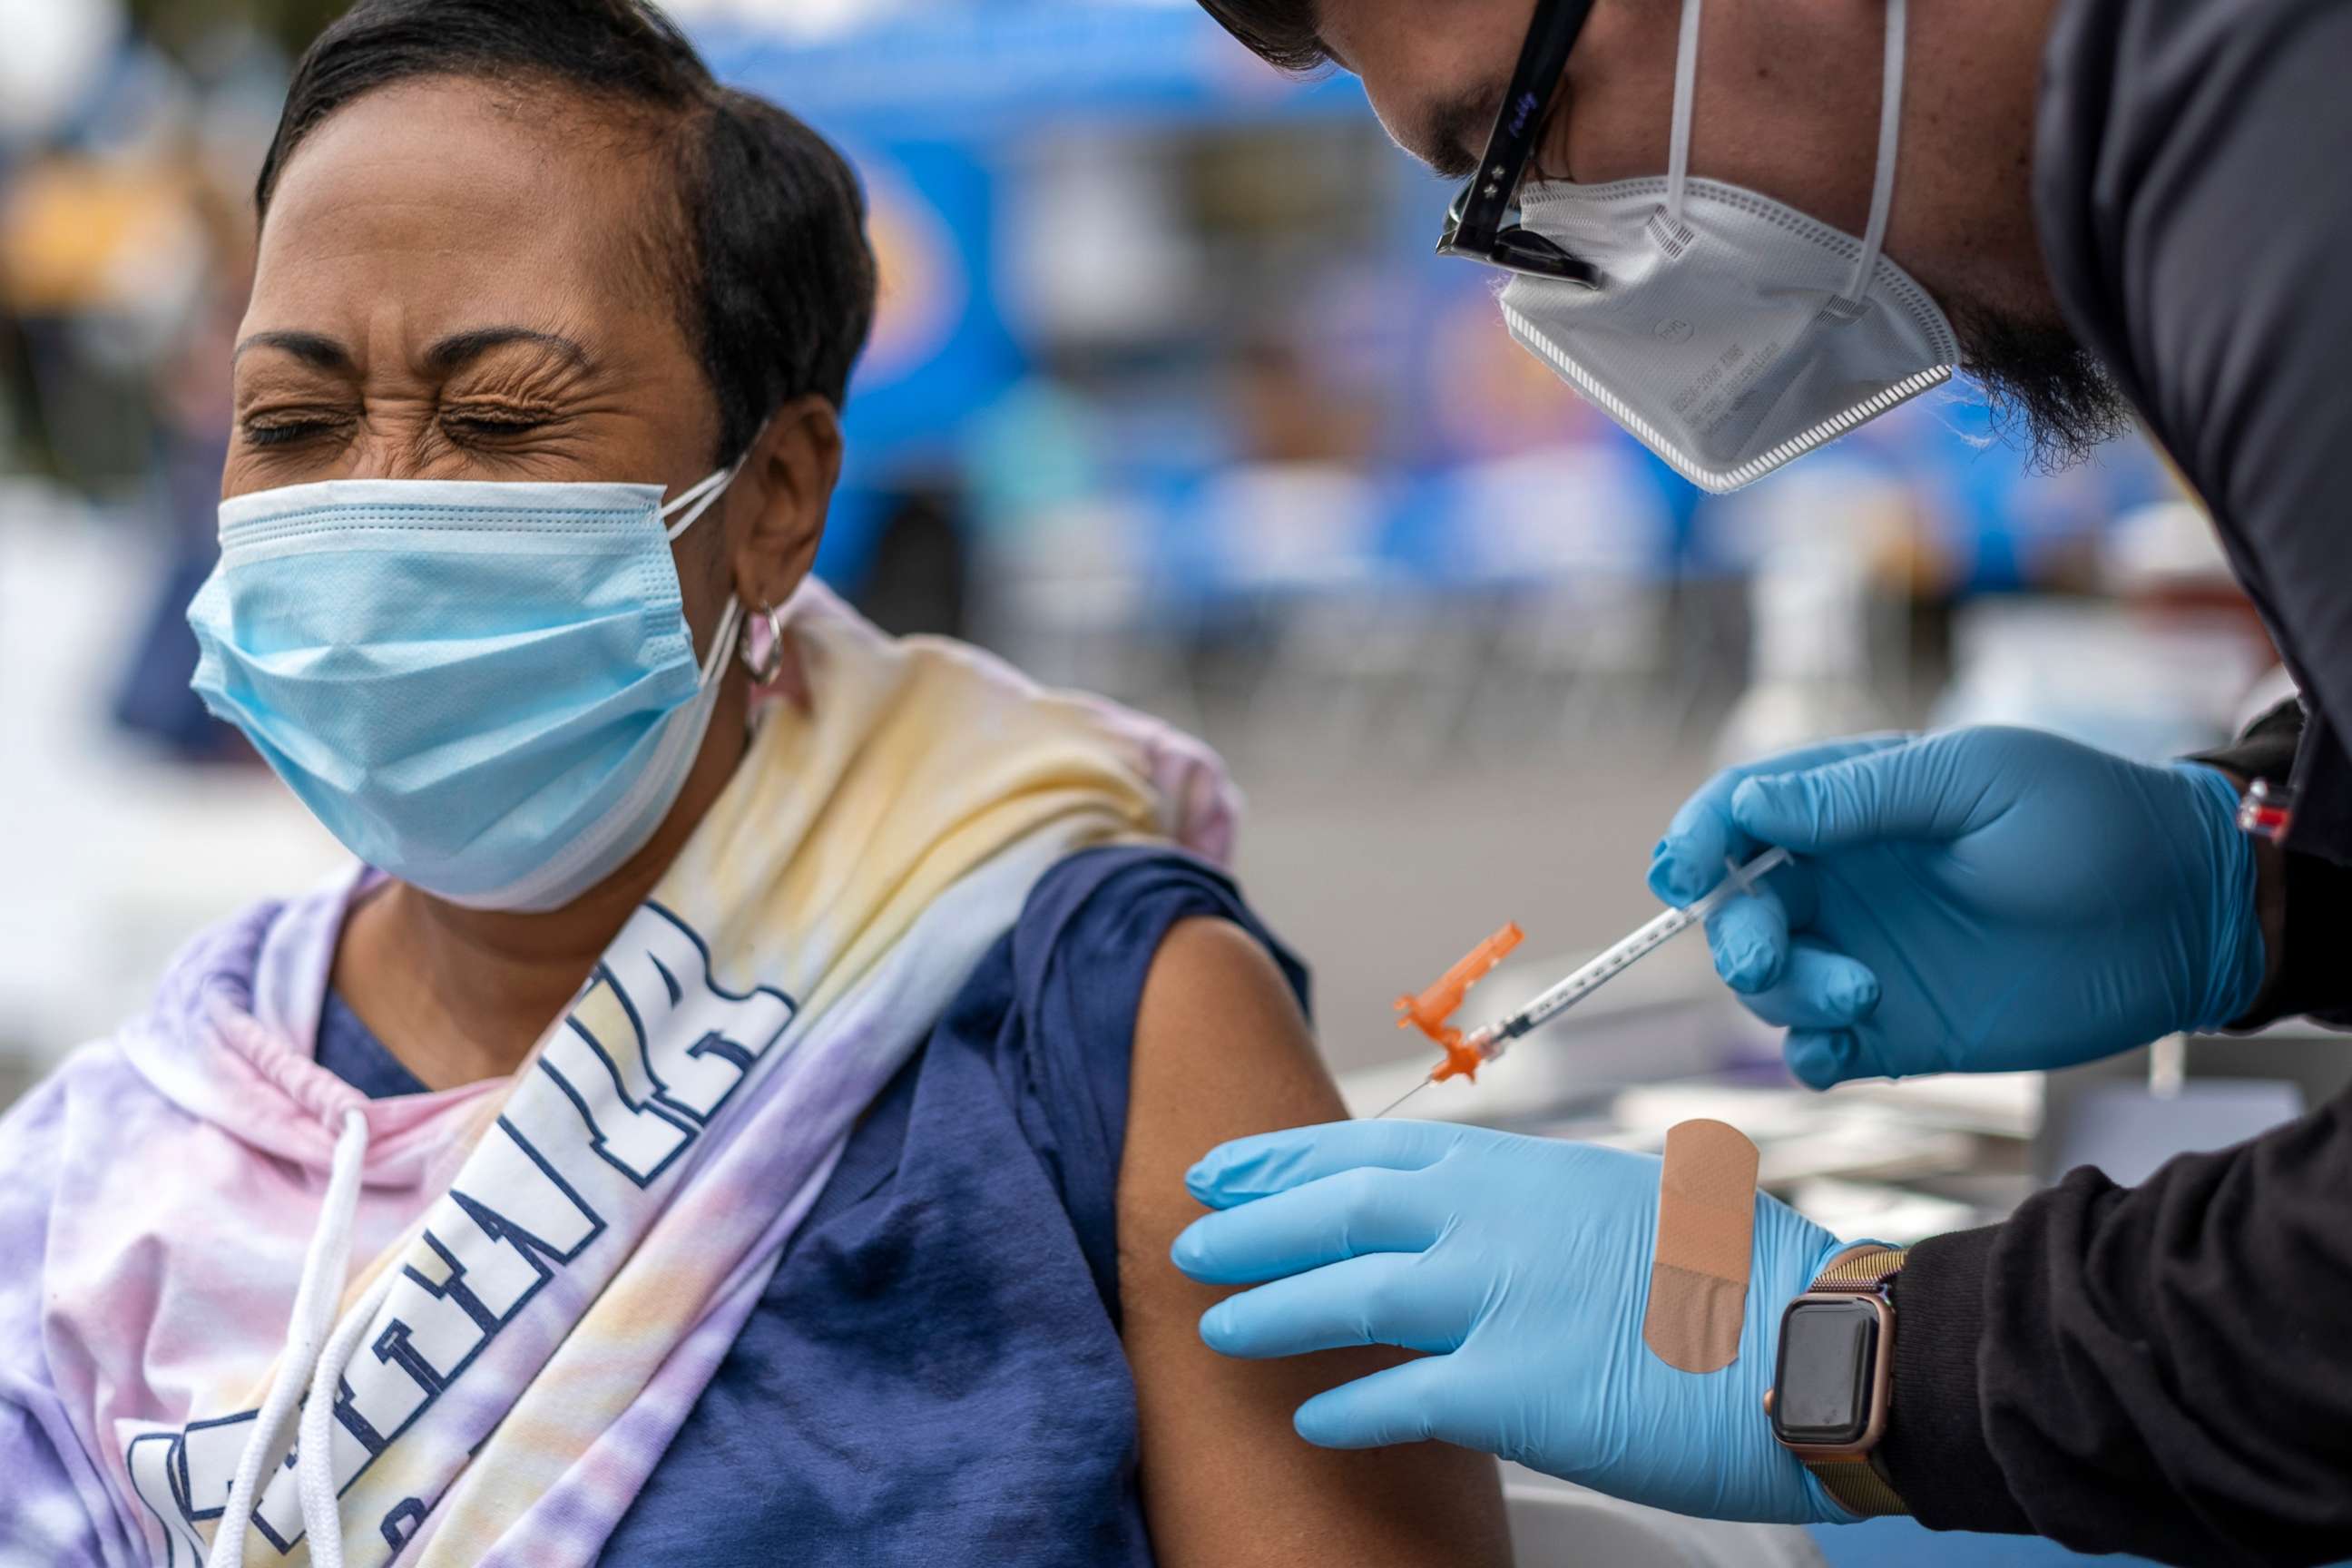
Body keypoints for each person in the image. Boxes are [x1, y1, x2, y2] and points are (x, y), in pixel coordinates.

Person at [0, 4, 1517, 1564]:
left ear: (774, 501)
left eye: (502, 416)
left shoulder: (1103, 1023)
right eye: (295, 422)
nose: (380, 501)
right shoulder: (107, 1184)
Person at [1172, 0, 2352, 1563]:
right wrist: (2272, 872)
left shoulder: (2262, 142)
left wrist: (1857, 1358)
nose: (1563, 252)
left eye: (1514, 144)